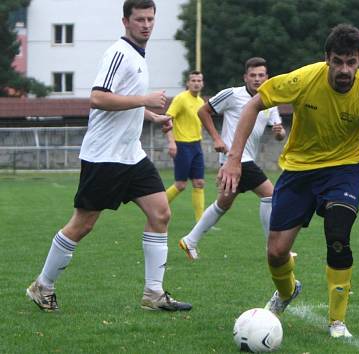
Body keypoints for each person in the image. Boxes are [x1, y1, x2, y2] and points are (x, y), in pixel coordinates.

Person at [218, 24, 359, 338]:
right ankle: (287, 292)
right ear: (327, 58)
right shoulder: (303, 79)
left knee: (338, 234)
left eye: (351, 62)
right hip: (298, 171)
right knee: (276, 252)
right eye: (338, 61)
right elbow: (253, 104)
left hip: (343, 170)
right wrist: (234, 158)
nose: (344, 69)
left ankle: (337, 322)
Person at [25, 0, 191, 312]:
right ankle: (42, 286)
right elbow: (99, 97)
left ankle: (153, 294)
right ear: (125, 21)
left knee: (161, 213)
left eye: (150, 19)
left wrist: (151, 116)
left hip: (131, 154)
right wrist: (146, 99)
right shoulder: (119, 53)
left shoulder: (139, 56)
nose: (146, 25)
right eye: (139, 19)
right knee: (82, 224)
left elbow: (124, 101)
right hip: (104, 157)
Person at [178, 57, 287, 260]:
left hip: (242, 161)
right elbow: (203, 111)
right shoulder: (232, 94)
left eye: (261, 75)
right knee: (270, 195)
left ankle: (189, 240)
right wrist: (217, 138)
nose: (256, 79)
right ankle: (272, 248)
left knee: (223, 204)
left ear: (267, 77)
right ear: (245, 77)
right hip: (235, 160)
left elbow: (278, 134)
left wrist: (280, 132)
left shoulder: (270, 100)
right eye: (252, 75)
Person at [164, 71, 206, 222]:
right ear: (188, 83)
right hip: (182, 145)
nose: (196, 83)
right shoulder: (181, 99)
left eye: (199, 80)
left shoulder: (201, 102)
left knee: (199, 183)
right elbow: (167, 119)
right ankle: (157, 206)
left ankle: (200, 222)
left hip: (197, 146)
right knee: (181, 185)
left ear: (202, 83)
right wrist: (171, 142)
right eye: (193, 80)